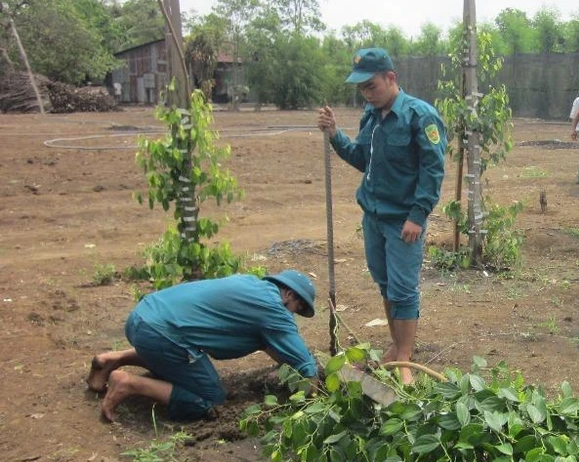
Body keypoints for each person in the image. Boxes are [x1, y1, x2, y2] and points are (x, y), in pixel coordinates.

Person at [317, 48, 446, 384]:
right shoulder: (371, 117)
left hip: (403, 220)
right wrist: (334, 135)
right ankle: (398, 346)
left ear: (391, 78)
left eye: (371, 86)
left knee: (403, 289)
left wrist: (418, 216)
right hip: (373, 217)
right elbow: (362, 159)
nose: (366, 93)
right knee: (386, 284)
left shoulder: (421, 116)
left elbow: (433, 171)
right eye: (361, 88)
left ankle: (404, 359)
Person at [86, 270, 317, 423]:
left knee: (179, 351)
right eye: (296, 308)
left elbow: (272, 347)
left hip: (141, 318)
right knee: (209, 398)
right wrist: (312, 401)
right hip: (160, 335)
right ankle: (130, 384)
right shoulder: (274, 309)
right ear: (288, 293)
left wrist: (288, 366)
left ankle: (112, 359)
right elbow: (306, 365)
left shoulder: (249, 285)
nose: (293, 315)